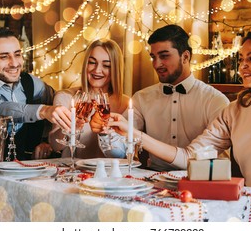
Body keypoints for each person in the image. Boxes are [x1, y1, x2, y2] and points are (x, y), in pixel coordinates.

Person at [108, 29, 251, 222]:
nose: (243, 67)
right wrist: (134, 133)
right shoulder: (235, 109)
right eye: (241, 59)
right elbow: (189, 156)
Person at [90, 24, 230, 171]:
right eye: (153, 57)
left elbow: (194, 159)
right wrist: (105, 132)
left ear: (185, 56)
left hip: (201, 183)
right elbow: (119, 152)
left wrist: (135, 133)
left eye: (164, 56)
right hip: (153, 182)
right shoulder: (141, 98)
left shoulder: (215, 101)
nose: (156, 64)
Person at [0, 27, 72, 160]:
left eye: (17, 54)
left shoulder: (31, 82)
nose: (14, 63)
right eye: (4, 57)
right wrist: (43, 111)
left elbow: (58, 100)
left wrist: (47, 141)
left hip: (28, 169)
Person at [48, 38, 130, 158]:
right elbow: (56, 146)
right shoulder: (66, 97)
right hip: (73, 172)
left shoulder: (127, 104)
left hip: (109, 174)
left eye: (106, 65)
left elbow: (123, 154)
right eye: (92, 62)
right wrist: (69, 127)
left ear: (115, 70)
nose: (97, 70)